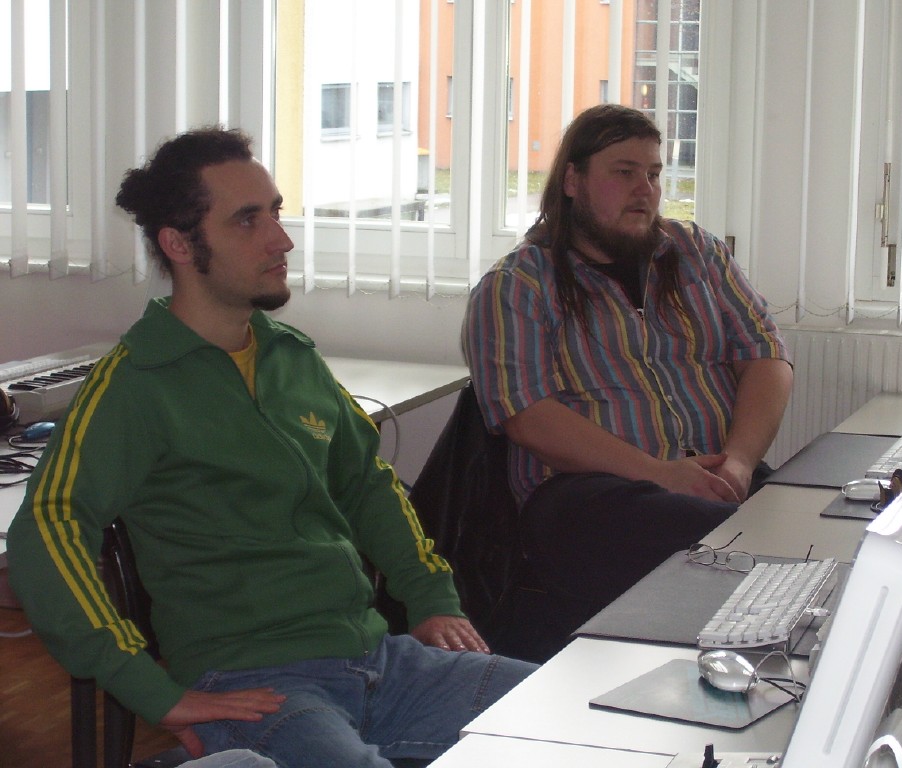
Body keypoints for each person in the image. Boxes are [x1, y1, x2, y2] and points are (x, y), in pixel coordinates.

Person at [8, 127, 535, 767]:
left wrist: (430, 599)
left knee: (572, 718)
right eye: (247, 220)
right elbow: (49, 527)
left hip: (378, 659)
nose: (281, 239)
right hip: (253, 685)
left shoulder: (293, 357)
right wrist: (150, 690)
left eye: (277, 213)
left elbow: (368, 486)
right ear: (179, 244)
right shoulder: (135, 384)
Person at [462, 104, 794, 662]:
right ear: (573, 181)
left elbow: (766, 355)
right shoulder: (517, 285)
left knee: (809, 521)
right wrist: (661, 474)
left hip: (710, 475)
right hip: (586, 497)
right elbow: (528, 417)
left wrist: (739, 462)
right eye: (624, 172)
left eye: (654, 174)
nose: (645, 189)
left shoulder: (697, 254)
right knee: (750, 547)